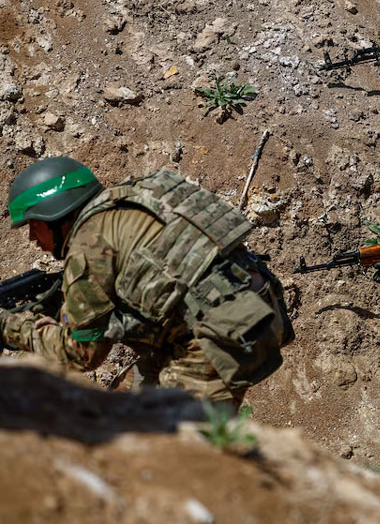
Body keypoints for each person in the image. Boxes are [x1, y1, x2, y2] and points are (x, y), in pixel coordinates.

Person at [0, 157, 292, 406]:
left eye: (34, 226)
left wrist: (9, 327)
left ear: (56, 214)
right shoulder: (131, 198)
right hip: (252, 304)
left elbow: (81, 355)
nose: (32, 239)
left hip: (221, 339)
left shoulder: (89, 247)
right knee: (125, 408)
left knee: (173, 452)